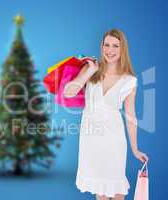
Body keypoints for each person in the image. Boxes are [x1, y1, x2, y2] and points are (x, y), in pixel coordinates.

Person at [64, 29, 149, 200]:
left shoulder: (129, 80)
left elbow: (130, 115)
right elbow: (68, 92)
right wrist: (89, 71)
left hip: (114, 139)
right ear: (101, 46)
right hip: (91, 138)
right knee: (100, 190)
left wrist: (134, 148)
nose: (110, 50)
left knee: (117, 189)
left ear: (122, 48)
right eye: (107, 45)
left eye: (115, 46)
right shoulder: (91, 70)